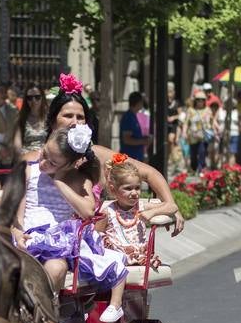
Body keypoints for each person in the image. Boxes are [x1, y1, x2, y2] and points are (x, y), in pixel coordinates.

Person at [37, 74, 184, 235]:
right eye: (67, 116)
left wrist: (169, 204)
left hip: (91, 241)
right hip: (43, 235)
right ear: (52, 121)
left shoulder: (97, 154)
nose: (74, 122)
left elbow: (150, 173)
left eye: (80, 117)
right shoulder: (38, 158)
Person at [16, 124, 129, 323]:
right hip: (27, 236)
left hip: (58, 241)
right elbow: (17, 211)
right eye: (43, 155)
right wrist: (17, 232)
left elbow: (87, 211)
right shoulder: (30, 171)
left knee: (56, 269)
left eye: (52, 163)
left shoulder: (78, 179)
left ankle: (45, 318)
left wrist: (59, 181)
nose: (43, 163)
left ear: (71, 165)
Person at [99, 152, 177, 264]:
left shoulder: (141, 207)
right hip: (115, 260)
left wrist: (152, 213)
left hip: (140, 257)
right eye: (128, 188)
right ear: (113, 189)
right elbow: (95, 237)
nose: (135, 193)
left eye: (137, 187)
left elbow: (172, 206)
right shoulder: (108, 212)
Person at [14, 86, 49, 154]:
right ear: (26, 100)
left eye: (37, 97)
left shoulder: (49, 118)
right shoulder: (21, 118)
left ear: (43, 98)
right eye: (29, 98)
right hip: (26, 157)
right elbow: (17, 144)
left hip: (45, 157)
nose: (33, 101)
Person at [183, 93, 212, 173]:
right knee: (193, 154)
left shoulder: (207, 110)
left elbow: (211, 121)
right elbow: (186, 122)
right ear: (195, 101)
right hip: (192, 136)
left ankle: (201, 168)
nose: (200, 102)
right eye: (198, 100)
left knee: (202, 152)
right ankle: (193, 168)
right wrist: (184, 132)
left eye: (202, 100)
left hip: (203, 135)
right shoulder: (190, 110)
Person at [119, 91, 150, 161]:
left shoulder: (135, 116)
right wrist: (143, 141)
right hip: (129, 158)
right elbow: (126, 140)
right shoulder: (128, 117)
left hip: (137, 157)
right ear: (138, 103)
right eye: (142, 102)